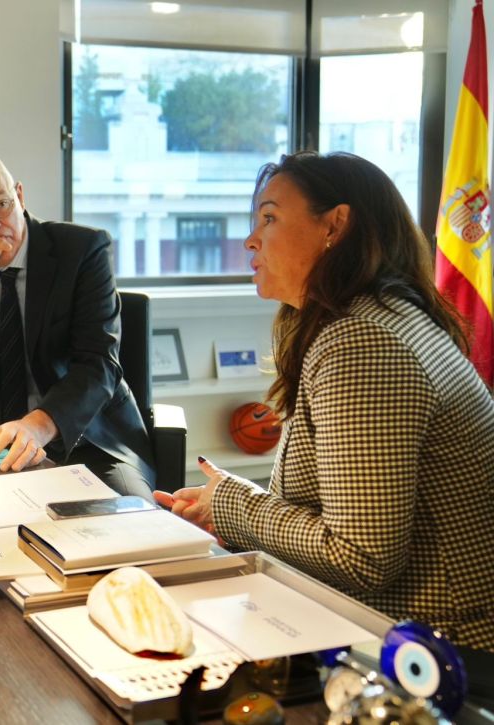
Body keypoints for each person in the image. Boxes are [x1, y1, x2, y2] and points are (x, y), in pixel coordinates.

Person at [157, 151, 494, 651]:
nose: (250, 240)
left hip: (440, 648)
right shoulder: (382, 317)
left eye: (269, 218)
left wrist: (230, 504)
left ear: (335, 225)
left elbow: (362, 558)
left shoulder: (363, 343)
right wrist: (225, 500)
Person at [0, 152, 154, 496]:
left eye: (0, 205)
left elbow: (98, 365)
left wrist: (37, 426)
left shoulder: (83, 249)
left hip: (90, 441)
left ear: (19, 196)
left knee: (127, 518)